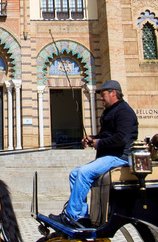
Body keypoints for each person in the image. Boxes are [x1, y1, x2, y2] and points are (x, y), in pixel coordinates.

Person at [49, 80, 138, 228]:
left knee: (83, 173)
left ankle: (71, 216)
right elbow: (107, 135)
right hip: (108, 156)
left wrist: (99, 143)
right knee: (75, 174)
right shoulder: (111, 111)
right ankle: (81, 217)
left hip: (119, 157)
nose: (101, 98)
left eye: (103, 95)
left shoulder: (124, 111)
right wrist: (93, 139)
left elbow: (122, 138)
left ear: (113, 93)